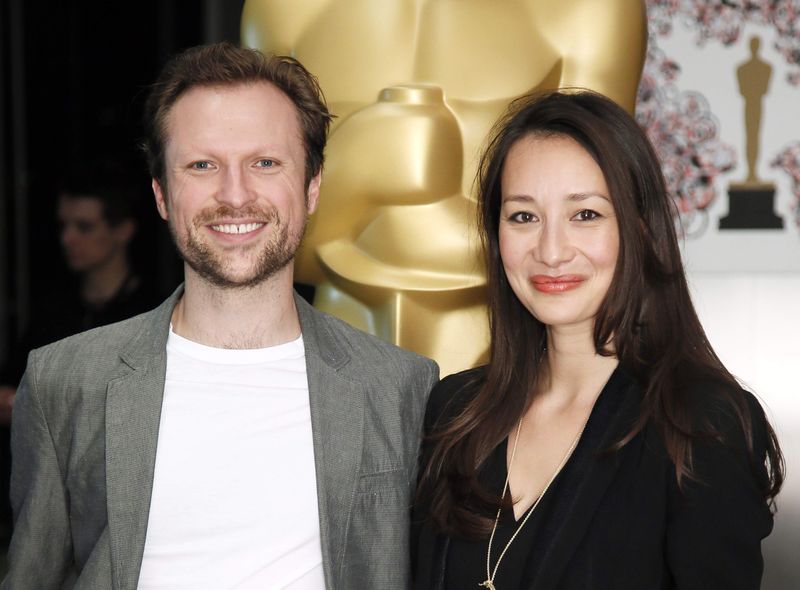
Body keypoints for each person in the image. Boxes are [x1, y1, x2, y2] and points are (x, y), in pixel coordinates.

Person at [2, 42, 438, 590]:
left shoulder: (401, 386)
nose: (235, 195)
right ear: (162, 193)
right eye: (203, 165)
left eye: (265, 163)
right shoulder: (64, 382)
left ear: (312, 187)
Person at [413, 90, 783, 590]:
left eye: (584, 214)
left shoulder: (699, 423)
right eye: (523, 216)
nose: (550, 250)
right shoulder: (454, 410)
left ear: (639, 227)